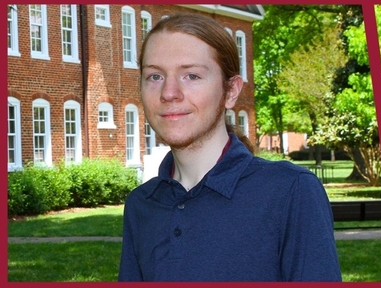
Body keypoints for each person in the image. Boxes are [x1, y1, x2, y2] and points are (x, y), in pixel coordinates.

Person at [118, 12, 342, 282]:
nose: (169, 93)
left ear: (231, 91)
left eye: (191, 75)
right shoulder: (141, 204)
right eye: (154, 76)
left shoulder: (290, 192)